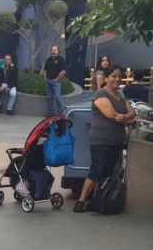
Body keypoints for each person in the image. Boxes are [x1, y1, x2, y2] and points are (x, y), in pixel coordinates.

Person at [73, 63, 136, 213]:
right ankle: (81, 201)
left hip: (116, 141)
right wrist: (126, 117)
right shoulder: (101, 94)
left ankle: (98, 200)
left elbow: (132, 111)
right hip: (101, 140)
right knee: (96, 171)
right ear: (106, 77)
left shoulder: (120, 95)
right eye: (113, 76)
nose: (117, 79)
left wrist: (125, 117)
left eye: (120, 76)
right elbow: (111, 115)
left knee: (107, 173)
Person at [41, 45, 67, 117]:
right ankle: (51, 113)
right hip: (48, 81)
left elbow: (63, 71)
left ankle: (61, 113)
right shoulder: (48, 60)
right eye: (52, 50)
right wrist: (45, 78)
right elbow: (45, 70)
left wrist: (57, 79)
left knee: (57, 97)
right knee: (49, 97)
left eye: (55, 50)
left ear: (58, 51)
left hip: (56, 82)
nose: (53, 52)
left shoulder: (61, 60)